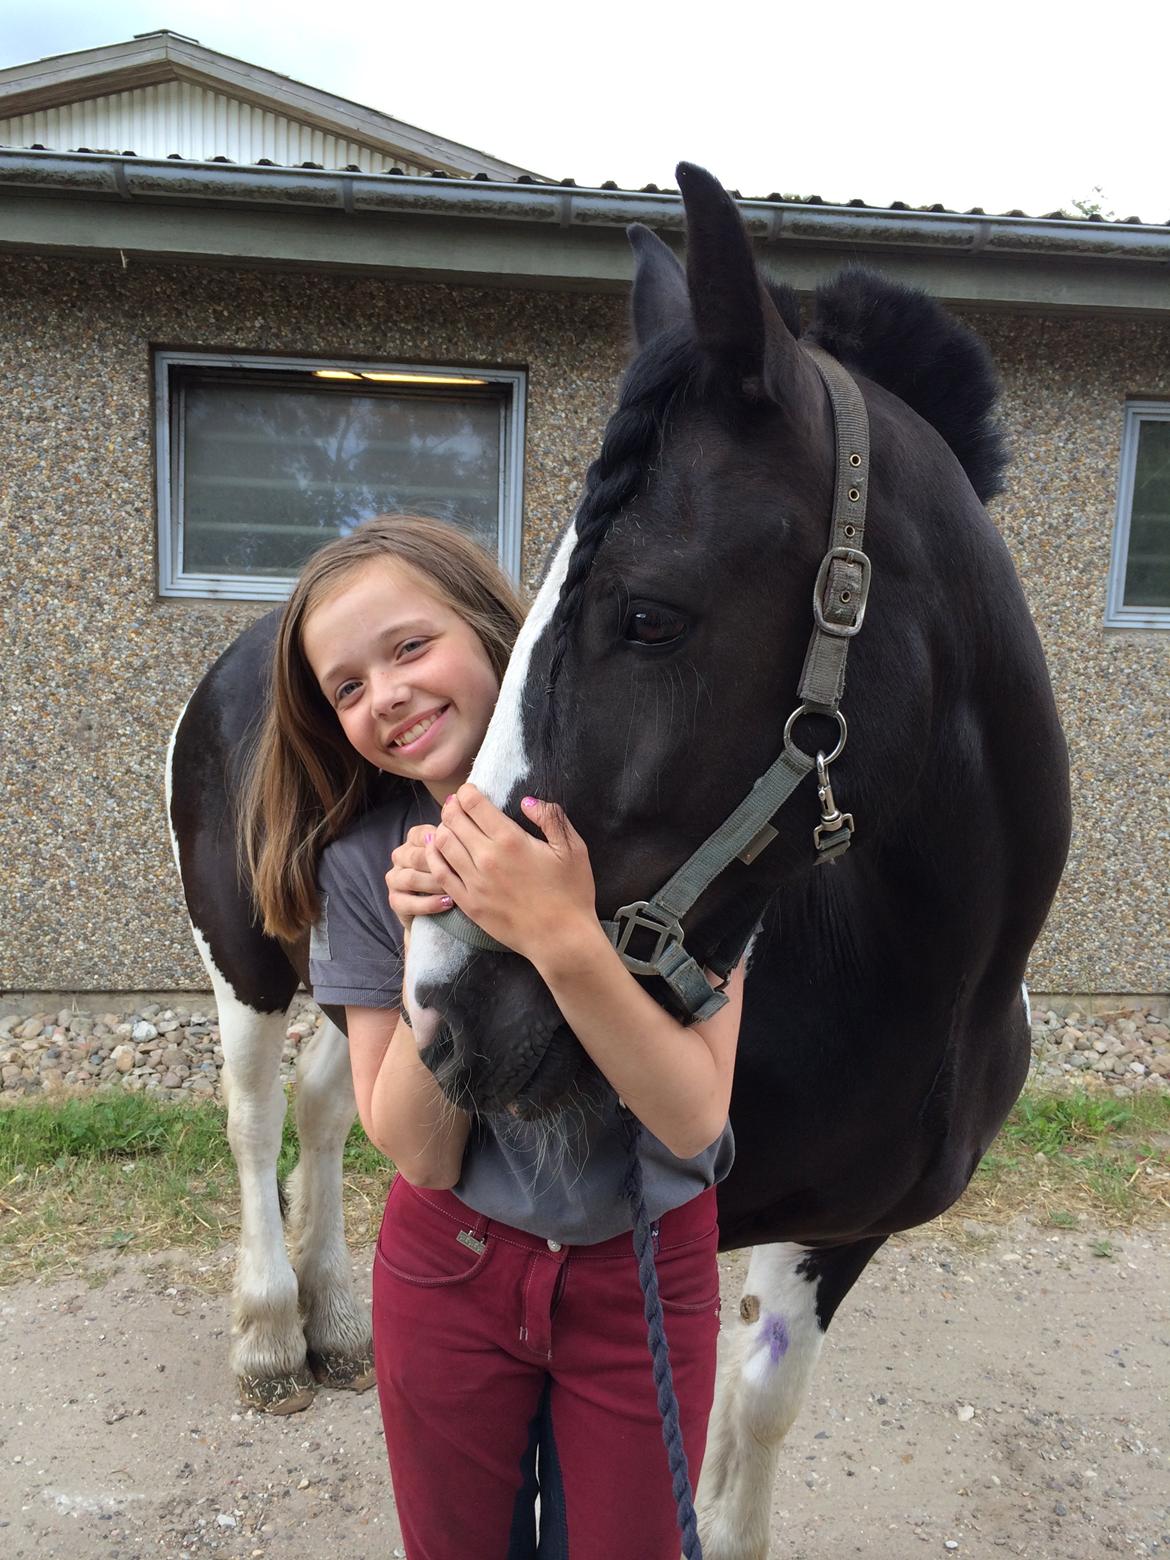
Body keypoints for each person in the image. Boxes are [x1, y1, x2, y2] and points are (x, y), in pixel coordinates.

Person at [242, 513, 745, 1560]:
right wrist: (446, 936)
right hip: (450, 1272)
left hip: (643, 1269)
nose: (384, 694)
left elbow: (694, 1118)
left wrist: (559, 933)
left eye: (409, 647)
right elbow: (420, 1149)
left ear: (493, 634)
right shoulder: (363, 867)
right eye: (345, 687)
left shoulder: (672, 814)